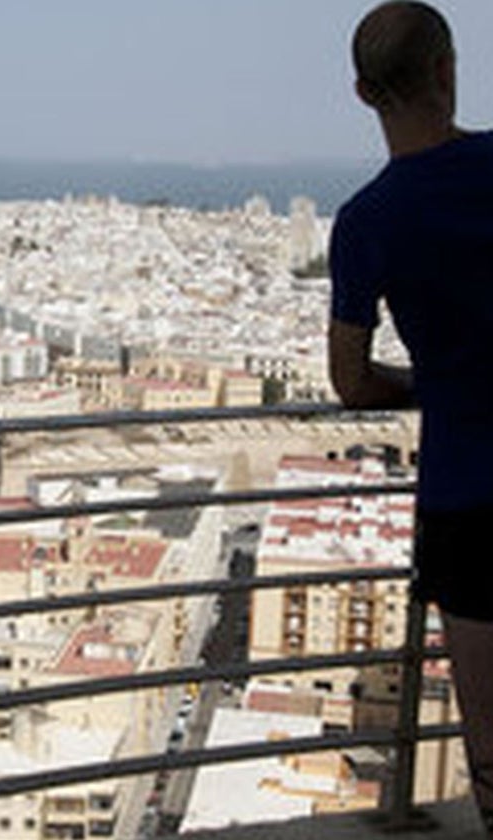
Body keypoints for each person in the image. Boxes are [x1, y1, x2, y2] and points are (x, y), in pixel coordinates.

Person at [329, 2, 493, 832]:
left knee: (492, 739)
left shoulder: (367, 222)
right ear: (447, 70)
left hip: (467, 495)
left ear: (363, 94)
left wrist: (435, 383)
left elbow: (350, 381)